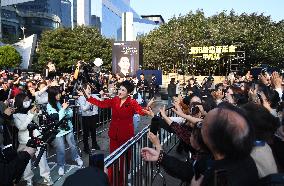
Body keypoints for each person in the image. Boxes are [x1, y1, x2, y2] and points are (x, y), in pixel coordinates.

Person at [81, 80, 154, 184]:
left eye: (123, 90)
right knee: (113, 158)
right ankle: (112, 180)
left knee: (124, 161)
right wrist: (88, 97)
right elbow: (101, 104)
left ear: (128, 92)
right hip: (114, 135)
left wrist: (147, 109)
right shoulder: (114, 99)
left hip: (126, 136)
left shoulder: (132, 102)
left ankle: (123, 180)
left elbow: (140, 111)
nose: (120, 91)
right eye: (119, 89)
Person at [13, 93, 53, 186]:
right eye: (25, 100)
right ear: (20, 102)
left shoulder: (29, 111)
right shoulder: (16, 115)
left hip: (36, 138)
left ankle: (47, 178)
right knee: (26, 162)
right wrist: (30, 114)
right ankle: (28, 180)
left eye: (28, 100)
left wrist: (37, 113)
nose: (28, 102)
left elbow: (37, 122)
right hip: (25, 142)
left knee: (42, 159)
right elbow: (22, 127)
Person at [46, 86, 83, 176]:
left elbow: (71, 114)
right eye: (57, 94)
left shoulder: (61, 102)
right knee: (61, 149)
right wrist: (63, 110)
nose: (59, 95)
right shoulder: (49, 105)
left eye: (59, 93)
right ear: (52, 95)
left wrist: (64, 110)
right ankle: (61, 165)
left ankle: (76, 157)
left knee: (73, 145)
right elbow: (58, 118)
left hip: (68, 127)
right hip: (58, 131)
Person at [77, 84, 101, 154]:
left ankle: (94, 144)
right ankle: (86, 147)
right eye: (88, 88)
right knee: (86, 133)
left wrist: (102, 96)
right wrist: (90, 101)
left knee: (93, 131)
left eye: (90, 88)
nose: (89, 89)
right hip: (86, 117)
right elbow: (83, 108)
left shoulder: (93, 95)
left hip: (94, 115)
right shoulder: (81, 98)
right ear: (84, 90)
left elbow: (100, 101)